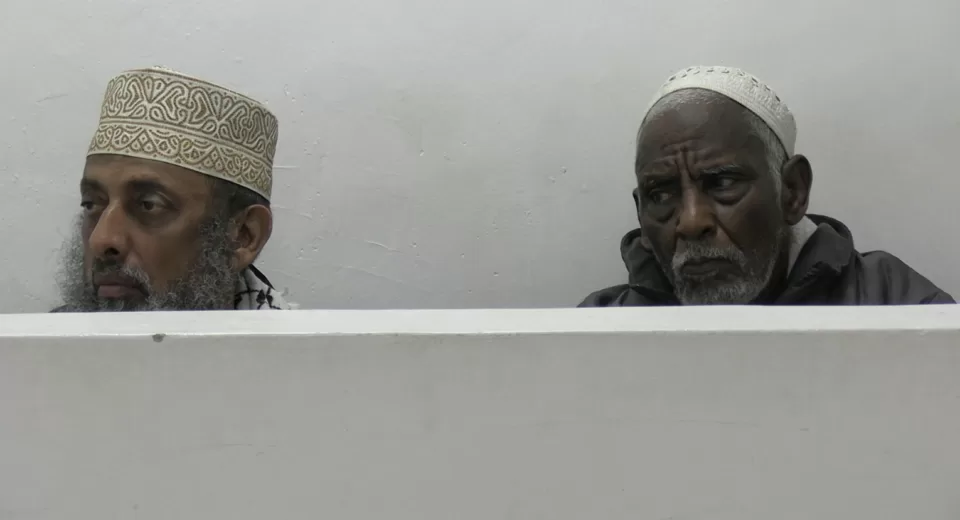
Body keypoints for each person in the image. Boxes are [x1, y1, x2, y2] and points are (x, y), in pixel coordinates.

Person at [580, 66, 953, 307]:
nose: (691, 222)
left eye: (723, 182)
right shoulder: (592, 332)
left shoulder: (898, 304)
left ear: (792, 191)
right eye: (661, 195)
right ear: (641, 217)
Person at [53, 67, 291, 312]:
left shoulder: (298, 339)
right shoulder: (43, 337)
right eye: (91, 204)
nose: (100, 240)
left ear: (243, 235)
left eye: (149, 205)